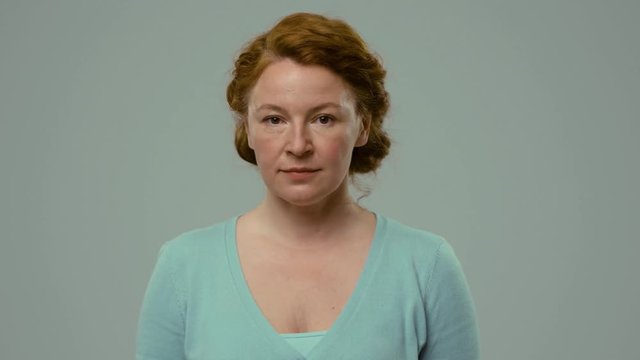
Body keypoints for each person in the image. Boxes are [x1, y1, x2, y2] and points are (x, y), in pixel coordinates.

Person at [136, 12, 479, 360]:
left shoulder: (426, 267)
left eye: (323, 118)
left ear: (362, 126)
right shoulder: (184, 268)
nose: (298, 145)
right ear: (247, 129)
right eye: (274, 119)